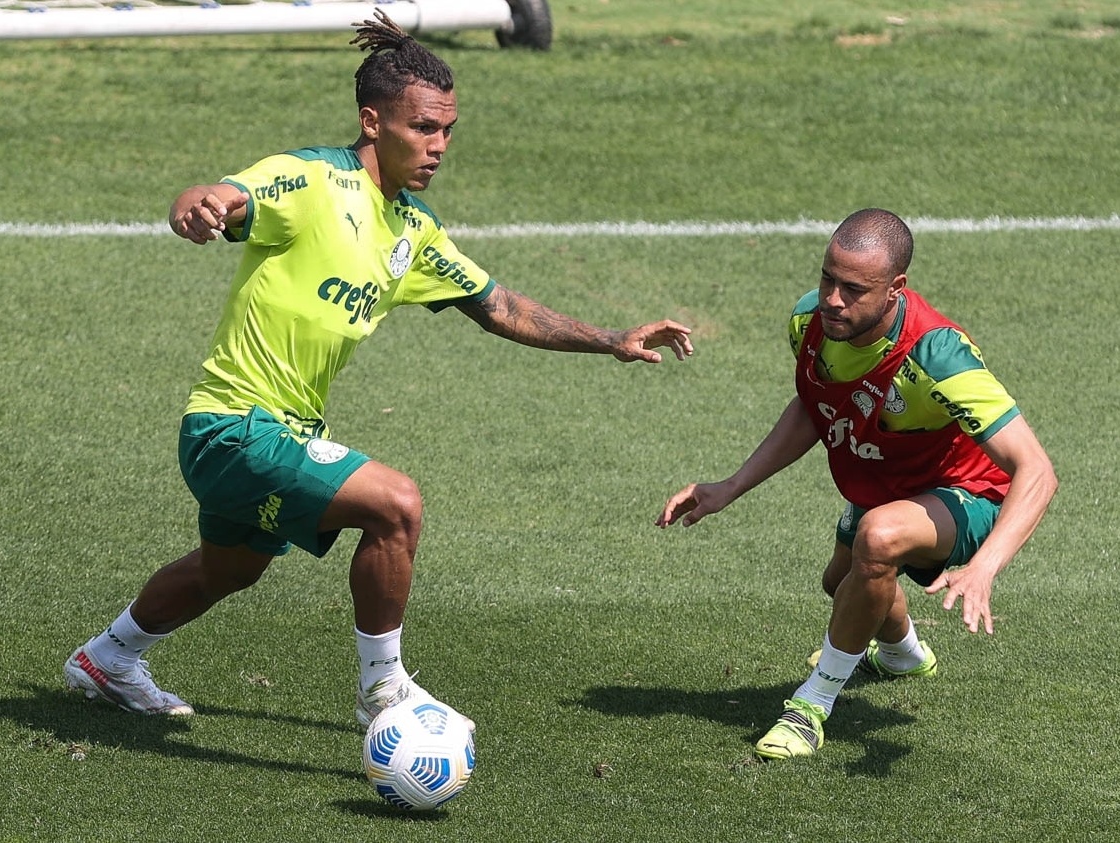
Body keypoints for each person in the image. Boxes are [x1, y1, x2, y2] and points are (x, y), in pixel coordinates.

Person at [64, 11, 693, 728]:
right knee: (397, 504)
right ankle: (384, 693)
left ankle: (107, 657)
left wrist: (610, 338)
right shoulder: (311, 181)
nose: (440, 145)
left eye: (448, 129)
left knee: (229, 569)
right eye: (423, 127)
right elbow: (225, 197)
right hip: (231, 425)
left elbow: (499, 305)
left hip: (283, 429)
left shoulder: (411, 229)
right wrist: (196, 207)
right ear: (372, 121)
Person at [656, 208, 1056, 760]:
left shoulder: (938, 355)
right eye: (827, 278)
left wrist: (985, 566)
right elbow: (813, 407)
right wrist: (730, 486)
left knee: (878, 538)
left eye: (853, 289)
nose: (833, 299)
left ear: (896, 289)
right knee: (845, 588)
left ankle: (811, 707)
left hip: (968, 492)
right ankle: (903, 654)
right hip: (889, 481)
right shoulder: (810, 323)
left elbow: (1037, 470)